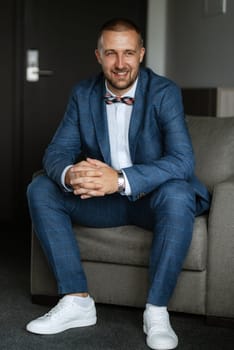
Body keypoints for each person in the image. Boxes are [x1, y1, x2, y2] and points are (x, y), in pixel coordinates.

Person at [26, 18, 211, 350]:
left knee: (179, 192)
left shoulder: (164, 91)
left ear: (141, 54)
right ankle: (76, 300)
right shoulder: (83, 93)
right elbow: (56, 151)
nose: (121, 64)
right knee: (40, 187)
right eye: (111, 53)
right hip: (103, 203)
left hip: (150, 199)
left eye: (128, 53)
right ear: (98, 56)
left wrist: (121, 179)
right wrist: (71, 174)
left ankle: (156, 311)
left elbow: (182, 161)